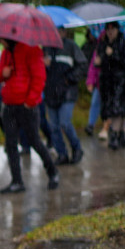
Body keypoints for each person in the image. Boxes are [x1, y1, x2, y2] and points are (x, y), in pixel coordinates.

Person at [0, 38, 60, 193]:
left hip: (27, 106)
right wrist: (3, 73)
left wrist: (30, 101)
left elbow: (39, 77)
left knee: (34, 141)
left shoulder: (32, 50)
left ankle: (53, 172)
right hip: (9, 105)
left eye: (1, 39)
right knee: (10, 144)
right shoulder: (5, 53)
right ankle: (17, 181)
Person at [43, 27, 87, 164]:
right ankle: (61, 154)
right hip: (51, 92)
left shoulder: (71, 46)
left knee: (64, 123)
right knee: (54, 126)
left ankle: (77, 148)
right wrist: (45, 65)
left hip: (67, 92)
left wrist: (69, 79)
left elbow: (82, 65)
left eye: (59, 30)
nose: (57, 33)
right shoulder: (46, 48)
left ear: (64, 32)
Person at [94, 21, 125, 149]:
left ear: (117, 30)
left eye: (112, 29)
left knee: (117, 109)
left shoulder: (123, 43)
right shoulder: (103, 43)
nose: (110, 32)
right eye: (108, 29)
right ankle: (120, 136)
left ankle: (114, 135)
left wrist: (113, 54)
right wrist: (99, 61)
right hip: (107, 83)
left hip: (120, 82)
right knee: (108, 109)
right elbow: (99, 62)